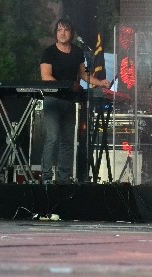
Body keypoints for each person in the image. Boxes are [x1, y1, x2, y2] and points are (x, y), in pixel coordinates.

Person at [39, 18, 109, 183]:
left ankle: (63, 178)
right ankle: (46, 176)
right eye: (59, 30)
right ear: (56, 33)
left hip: (69, 101)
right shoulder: (49, 52)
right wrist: (68, 85)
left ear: (71, 33)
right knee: (53, 137)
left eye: (66, 30)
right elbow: (46, 76)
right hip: (52, 100)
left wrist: (100, 83)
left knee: (68, 141)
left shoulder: (78, 52)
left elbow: (83, 74)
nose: (62, 33)